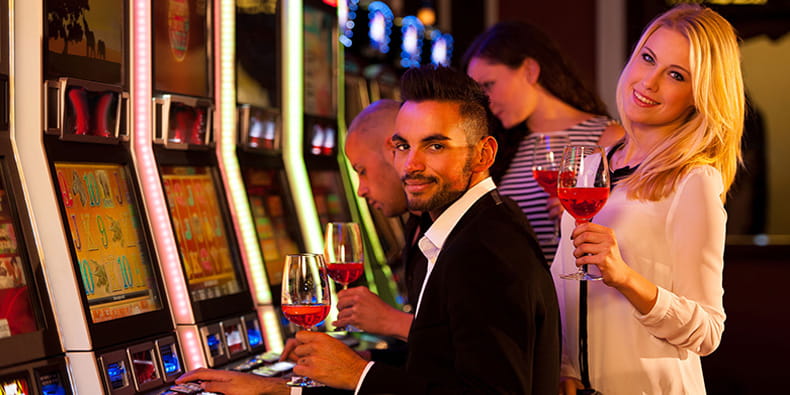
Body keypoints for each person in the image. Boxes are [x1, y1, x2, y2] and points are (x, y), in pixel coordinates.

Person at [286, 66, 560, 393]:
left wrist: (359, 375)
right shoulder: (471, 229)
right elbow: (444, 364)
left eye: (435, 146)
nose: (411, 165)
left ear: (483, 154)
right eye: (403, 147)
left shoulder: (483, 250)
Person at [551, 4, 743, 394]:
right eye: (647, 58)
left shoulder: (694, 181)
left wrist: (624, 277)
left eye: (675, 75)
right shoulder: (593, 168)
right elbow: (567, 285)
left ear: (698, 96)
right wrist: (566, 366)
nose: (649, 82)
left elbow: (707, 331)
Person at [463, 21, 624, 263]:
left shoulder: (607, 137)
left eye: (489, 85)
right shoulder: (499, 145)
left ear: (530, 70)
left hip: (575, 290)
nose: (487, 101)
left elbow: (629, 230)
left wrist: (585, 217)